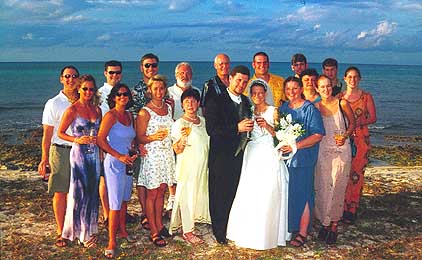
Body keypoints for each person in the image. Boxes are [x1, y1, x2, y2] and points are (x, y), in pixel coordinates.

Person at [226, 79, 291, 250]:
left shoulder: (274, 111)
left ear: (265, 93)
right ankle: (248, 230)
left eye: (260, 93)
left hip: (269, 153)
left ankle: (268, 233)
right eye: (254, 93)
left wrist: (268, 127)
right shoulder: (248, 111)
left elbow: (282, 136)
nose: (257, 96)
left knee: (268, 190)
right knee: (250, 190)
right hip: (252, 153)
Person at [204, 65, 253, 245]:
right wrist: (236, 128)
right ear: (230, 79)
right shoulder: (215, 100)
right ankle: (219, 231)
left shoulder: (247, 102)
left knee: (234, 192)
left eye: (245, 82)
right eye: (238, 80)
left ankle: (231, 226)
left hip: (240, 156)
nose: (241, 84)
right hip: (221, 156)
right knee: (219, 194)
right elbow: (212, 129)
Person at [279, 76, 325, 247]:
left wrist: (295, 146)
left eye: (295, 88)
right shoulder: (283, 108)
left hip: (303, 159)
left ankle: (303, 232)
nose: (291, 92)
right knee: (290, 195)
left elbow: (318, 135)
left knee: (304, 194)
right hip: (286, 160)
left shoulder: (309, 109)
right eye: (288, 89)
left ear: (301, 89)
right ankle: (290, 227)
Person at [57, 74, 101, 248]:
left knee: (92, 192)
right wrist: (76, 139)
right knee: (79, 192)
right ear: (79, 89)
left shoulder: (97, 110)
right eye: (85, 89)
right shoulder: (72, 110)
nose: (88, 92)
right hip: (79, 155)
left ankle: (90, 229)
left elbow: (99, 132)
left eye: (91, 89)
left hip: (94, 154)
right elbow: (60, 132)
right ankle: (81, 234)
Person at [38, 65, 79, 247]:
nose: (71, 79)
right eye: (67, 76)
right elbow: (47, 134)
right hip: (61, 151)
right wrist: (44, 159)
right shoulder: (53, 103)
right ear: (61, 79)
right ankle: (61, 231)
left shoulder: (84, 101)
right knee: (61, 192)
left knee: (78, 193)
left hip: (81, 152)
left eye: (74, 76)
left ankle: (76, 228)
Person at [314, 75, 355, 244]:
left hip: (341, 150)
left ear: (332, 86)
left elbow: (352, 123)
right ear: (317, 89)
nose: (325, 89)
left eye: (328, 86)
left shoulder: (342, 103)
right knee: (323, 187)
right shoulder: (315, 107)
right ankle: (325, 222)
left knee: (337, 186)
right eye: (322, 87)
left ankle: (334, 225)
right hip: (322, 150)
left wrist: (345, 135)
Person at [97, 84, 137, 258]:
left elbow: (132, 139)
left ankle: (123, 231)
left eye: (125, 94)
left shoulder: (129, 115)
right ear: (113, 97)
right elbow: (100, 139)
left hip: (128, 163)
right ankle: (111, 241)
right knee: (114, 203)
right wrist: (118, 156)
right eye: (119, 94)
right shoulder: (110, 115)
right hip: (114, 163)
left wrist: (134, 150)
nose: (123, 97)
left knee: (124, 200)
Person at [136, 75, 176, 247]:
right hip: (152, 156)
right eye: (155, 89)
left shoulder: (168, 108)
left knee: (161, 190)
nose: (159, 92)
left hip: (166, 155)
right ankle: (153, 231)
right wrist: (152, 137)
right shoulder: (145, 112)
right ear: (149, 91)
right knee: (152, 194)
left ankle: (159, 224)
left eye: (161, 88)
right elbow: (139, 137)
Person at [169, 88, 211, 244]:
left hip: (203, 164)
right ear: (182, 104)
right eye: (187, 101)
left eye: (193, 101)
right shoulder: (179, 123)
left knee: (198, 194)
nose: (190, 104)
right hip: (188, 165)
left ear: (198, 103)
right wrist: (182, 141)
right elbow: (176, 149)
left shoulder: (204, 121)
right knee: (186, 195)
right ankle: (187, 231)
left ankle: (192, 223)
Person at [340, 66, 377, 224]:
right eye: (350, 77)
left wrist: (356, 122)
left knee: (357, 174)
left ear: (359, 79)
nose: (352, 80)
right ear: (345, 79)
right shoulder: (340, 97)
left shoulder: (366, 97)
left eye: (355, 77)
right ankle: (342, 206)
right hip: (345, 140)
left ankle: (353, 207)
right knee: (344, 173)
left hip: (361, 139)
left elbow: (373, 118)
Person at [130, 53, 160, 231]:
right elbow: (133, 116)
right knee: (142, 178)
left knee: (158, 179)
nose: (151, 68)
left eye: (153, 65)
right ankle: (145, 213)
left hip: (159, 143)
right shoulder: (136, 90)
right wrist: (138, 141)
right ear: (142, 67)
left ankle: (155, 211)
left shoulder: (162, 87)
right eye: (147, 65)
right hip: (142, 141)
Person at [166, 61, 199, 214]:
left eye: (187, 73)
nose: (184, 76)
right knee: (173, 166)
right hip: (174, 132)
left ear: (191, 75)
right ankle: (173, 197)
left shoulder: (197, 91)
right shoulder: (168, 92)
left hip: (193, 133)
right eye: (181, 73)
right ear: (176, 75)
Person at [97, 60, 123, 226]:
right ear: (105, 73)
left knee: (119, 181)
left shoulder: (122, 92)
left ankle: (118, 214)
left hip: (120, 142)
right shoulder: (99, 94)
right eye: (111, 72)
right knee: (105, 180)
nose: (115, 75)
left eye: (118, 72)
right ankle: (107, 214)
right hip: (104, 143)